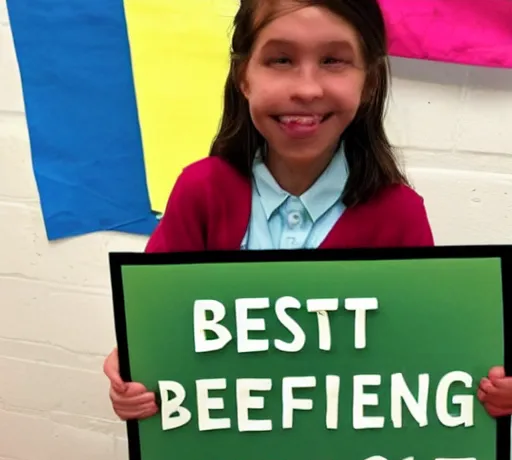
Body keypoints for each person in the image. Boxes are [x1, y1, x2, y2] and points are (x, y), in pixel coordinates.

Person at [103, 0, 512, 420]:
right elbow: (154, 329)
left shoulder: (399, 213)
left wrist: (488, 392)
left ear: (369, 81)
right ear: (243, 75)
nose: (307, 88)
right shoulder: (200, 191)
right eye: (281, 59)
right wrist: (134, 370)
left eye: (334, 60)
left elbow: (425, 362)